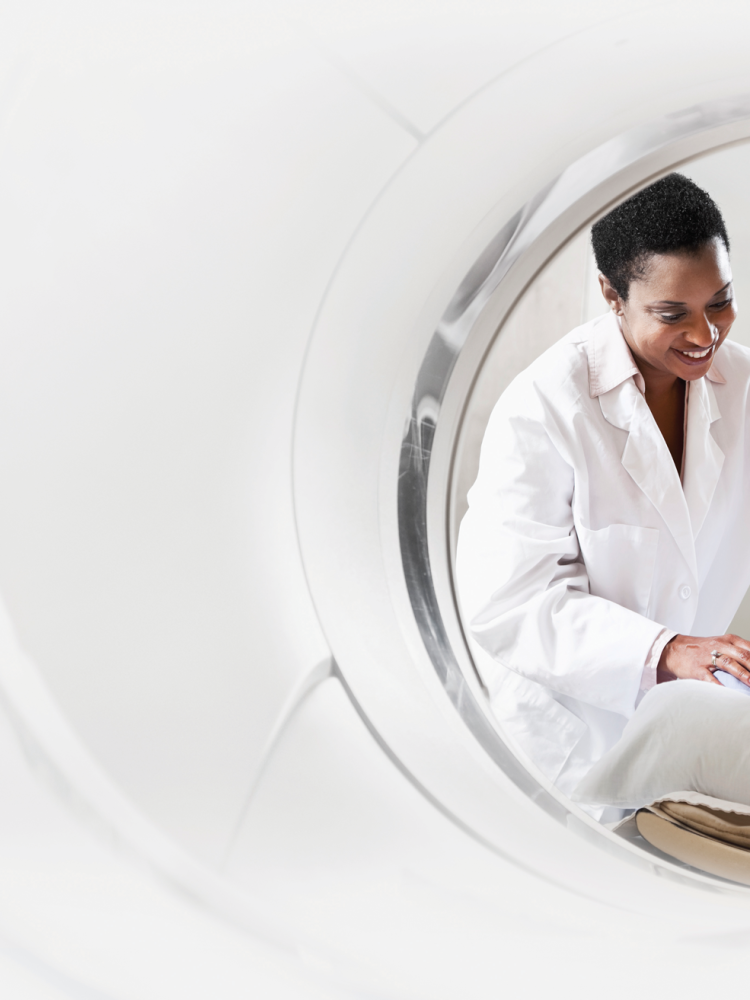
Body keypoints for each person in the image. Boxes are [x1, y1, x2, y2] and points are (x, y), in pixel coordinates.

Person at [456, 174, 750, 808]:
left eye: (720, 301)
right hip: (566, 738)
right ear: (611, 296)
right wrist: (665, 650)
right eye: (672, 314)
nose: (706, 336)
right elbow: (511, 601)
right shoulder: (545, 406)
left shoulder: (743, 383)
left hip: (682, 725)